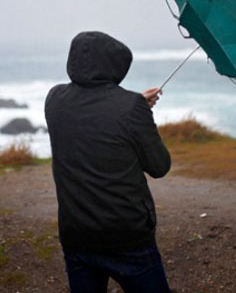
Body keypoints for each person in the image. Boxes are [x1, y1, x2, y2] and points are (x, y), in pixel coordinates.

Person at [44, 31, 172, 293]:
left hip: (76, 232)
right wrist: (139, 112)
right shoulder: (129, 108)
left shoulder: (54, 99)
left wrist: (136, 107)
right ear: (117, 66)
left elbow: (95, 115)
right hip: (126, 234)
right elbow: (160, 166)